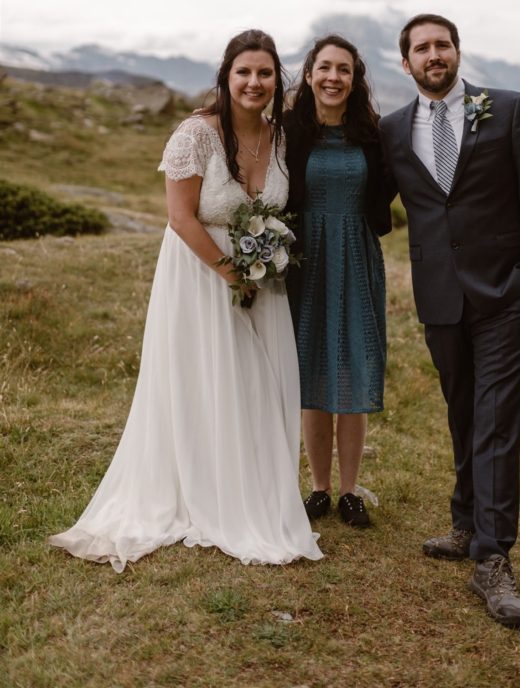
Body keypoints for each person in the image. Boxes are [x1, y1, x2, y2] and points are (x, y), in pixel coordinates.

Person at [49, 30, 323, 571]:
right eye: (244, 72)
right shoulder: (194, 134)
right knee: (207, 377)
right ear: (226, 76)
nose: (254, 82)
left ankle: (255, 488)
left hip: (261, 279)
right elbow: (180, 217)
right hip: (200, 274)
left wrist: (263, 263)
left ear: (277, 81)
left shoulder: (282, 135)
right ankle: (201, 490)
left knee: (258, 382)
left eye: (265, 73)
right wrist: (230, 273)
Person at [379, 14, 520, 628]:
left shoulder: (506, 108)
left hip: (506, 295)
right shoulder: (392, 130)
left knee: (496, 420)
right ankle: (464, 522)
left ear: (457, 52)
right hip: (440, 298)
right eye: (422, 48)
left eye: (442, 44)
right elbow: (373, 200)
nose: (434, 55)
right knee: (462, 411)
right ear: (405, 63)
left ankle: (492, 557)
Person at [285, 34, 392, 528]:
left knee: (351, 364)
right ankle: (319, 489)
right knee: (313, 369)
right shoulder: (289, 132)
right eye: (324, 67)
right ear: (309, 75)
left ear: (354, 79)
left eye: (343, 70)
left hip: (355, 256)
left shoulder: (374, 135)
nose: (333, 77)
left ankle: (350, 491)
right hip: (306, 260)